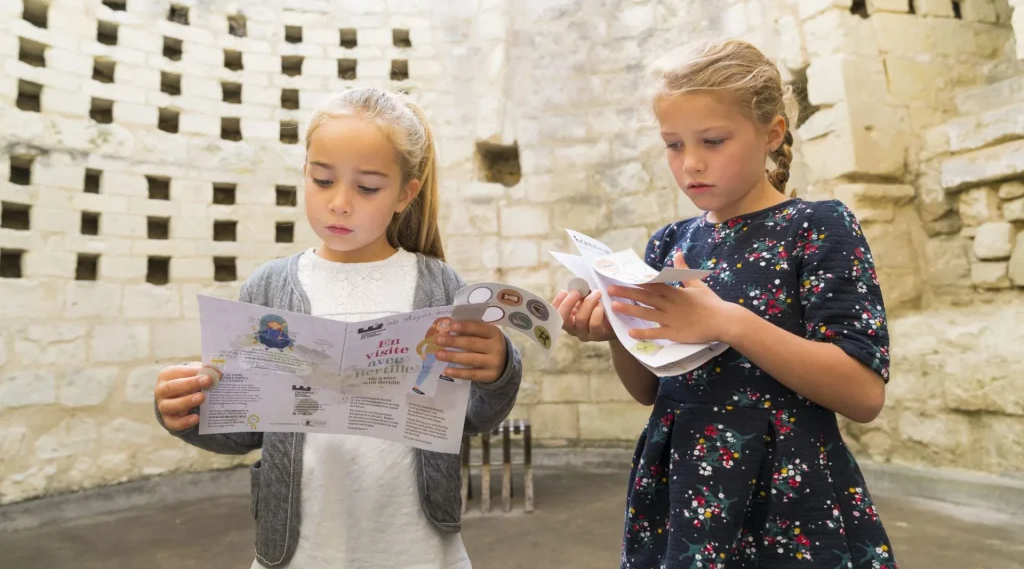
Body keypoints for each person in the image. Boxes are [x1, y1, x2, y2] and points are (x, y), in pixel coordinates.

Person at [554, 38, 897, 568]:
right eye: (673, 144)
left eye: (713, 140)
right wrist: (618, 329)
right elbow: (649, 389)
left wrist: (729, 322)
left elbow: (863, 393)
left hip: (788, 492)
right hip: (683, 487)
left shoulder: (817, 227)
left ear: (772, 134)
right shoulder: (670, 242)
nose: (691, 163)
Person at [154, 87, 522, 568]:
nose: (340, 203)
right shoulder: (269, 287)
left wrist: (497, 369)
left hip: (414, 542)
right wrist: (188, 410)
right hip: (302, 544)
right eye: (322, 180)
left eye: (367, 187)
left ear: (404, 194)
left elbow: (473, 417)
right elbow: (246, 428)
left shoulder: (439, 286)